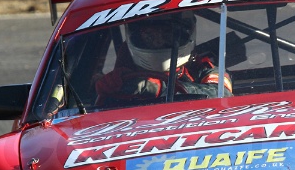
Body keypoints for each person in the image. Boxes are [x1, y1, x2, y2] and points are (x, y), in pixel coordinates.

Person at [94, 12, 232, 107]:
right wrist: (104, 90)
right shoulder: (119, 78)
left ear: (186, 33)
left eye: (167, 33)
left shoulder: (201, 68)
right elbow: (89, 109)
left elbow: (222, 95)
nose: (158, 41)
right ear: (136, 36)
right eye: (150, 35)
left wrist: (159, 89)